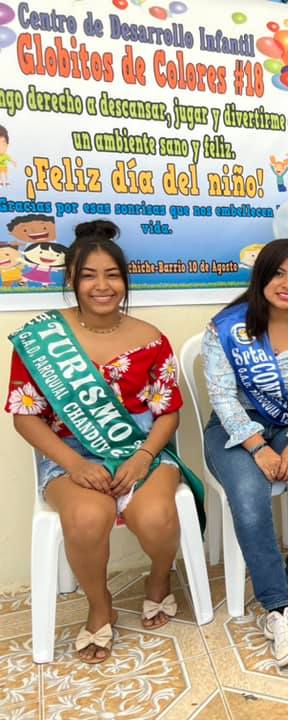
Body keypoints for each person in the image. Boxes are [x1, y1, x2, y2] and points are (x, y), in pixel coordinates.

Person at [6, 220, 203, 664]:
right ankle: (100, 605)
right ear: (71, 280)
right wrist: (74, 465)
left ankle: (159, 577)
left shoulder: (152, 339)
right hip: (69, 455)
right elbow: (25, 416)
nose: (102, 286)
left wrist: (144, 456)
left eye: (112, 275)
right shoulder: (41, 339)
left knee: (156, 517)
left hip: (141, 449)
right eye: (89, 276)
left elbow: (168, 411)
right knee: (87, 518)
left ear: (125, 281)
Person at [202, 238, 288, 667]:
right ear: (262, 275)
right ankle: (277, 605)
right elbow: (222, 396)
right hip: (234, 428)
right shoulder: (226, 327)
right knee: (248, 495)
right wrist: (256, 446)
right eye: (279, 273)